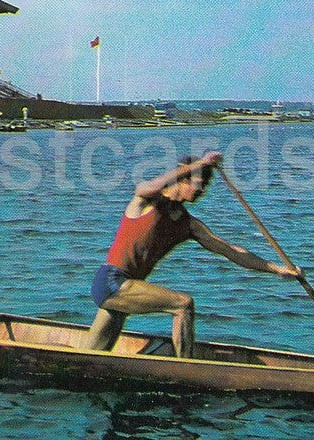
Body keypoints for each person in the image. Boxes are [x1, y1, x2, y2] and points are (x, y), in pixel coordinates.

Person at [84, 151, 302, 359]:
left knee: (93, 354)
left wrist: (277, 269)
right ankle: (185, 368)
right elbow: (146, 186)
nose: (202, 191)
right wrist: (201, 163)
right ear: (184, 179)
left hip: (128, 287)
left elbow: (231, 251)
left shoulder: (189, 224)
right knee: (182, 305)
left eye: (206, 186)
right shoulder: (148, 201)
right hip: (112, 282)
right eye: (200, 184)